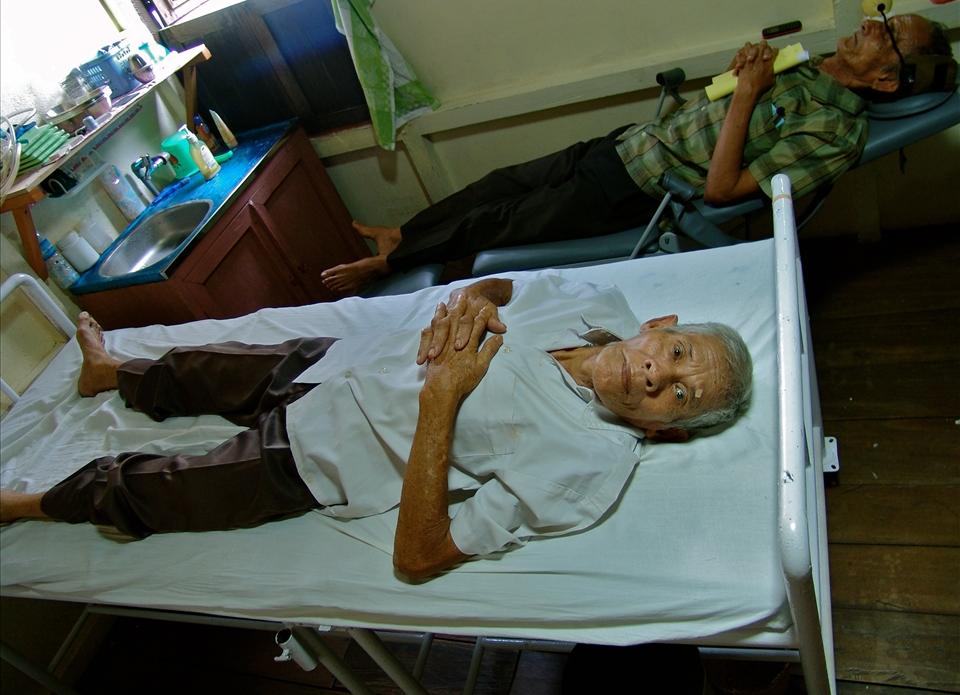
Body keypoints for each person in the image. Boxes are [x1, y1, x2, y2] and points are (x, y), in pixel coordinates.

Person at [0, 276, 751, 580]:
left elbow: (421, 557)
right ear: (658, 325)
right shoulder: (590, 299)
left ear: (662, 433)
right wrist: (467, 302)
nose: (660, 377)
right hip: (342, 360)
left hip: (320, 457)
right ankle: (110, 375)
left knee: (155, 489)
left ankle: (30, 502)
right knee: (201, 366)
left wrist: (440, 403)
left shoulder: (587, 467)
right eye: (677, 355)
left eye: (678, 398)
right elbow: (496, 285)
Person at [320, 14, 955, 292]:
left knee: (498, 224)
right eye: (888, 20)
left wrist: (747, 96)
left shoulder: (838, 134)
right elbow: (737, 106)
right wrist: (745, 76)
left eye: (892, 35)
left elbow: (721, 192)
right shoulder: (812, 67)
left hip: (639, 190)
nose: (877, 25)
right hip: (629, 145)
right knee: (498, 184)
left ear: (888, 81)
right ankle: (402, 233)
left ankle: (391, 262)